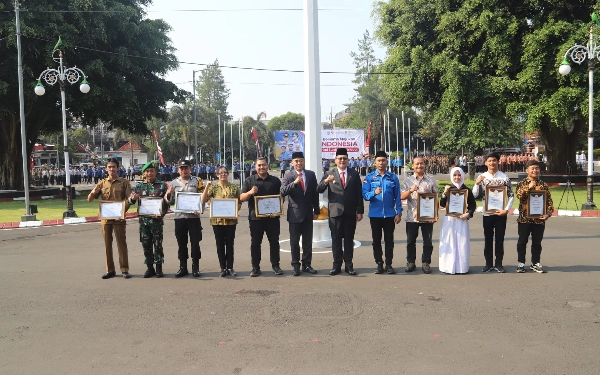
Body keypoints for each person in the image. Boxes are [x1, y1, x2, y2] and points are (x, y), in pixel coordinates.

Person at [317, 148, 364, 276]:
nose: (342, 160)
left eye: (344, 158)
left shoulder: (354, 174)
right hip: (335, 212)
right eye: (340, 158)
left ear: (348, 160)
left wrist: (360, 211)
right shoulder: (329, 173)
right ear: (335, 160)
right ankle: (336, 265)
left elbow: (358, 194)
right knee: (336, 240)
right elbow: (319, 189)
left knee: (349, 239)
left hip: (350, 212)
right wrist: (326, 180)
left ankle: (349, 265)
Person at [87, 158, 132, 279]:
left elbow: (129, 200)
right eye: (109, 167)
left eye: (114, 167)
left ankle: (124, 269)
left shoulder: (124, 183)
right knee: (107, 244)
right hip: (106, 219)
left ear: (118, 168)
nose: (112, 169)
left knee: (121, 244)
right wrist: (92, 192)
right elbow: (90, 199)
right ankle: (110, 270)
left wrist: (122, 213)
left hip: (119, 218)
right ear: (106, 169)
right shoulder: (101, 183)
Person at [240, 157, 283, 277]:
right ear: (255, 167)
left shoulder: (275, 181)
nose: (261, 167)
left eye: (263, 165)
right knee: (255, 243)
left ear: (267, 166)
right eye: (259, 165)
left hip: (272, 218)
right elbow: (242, 198)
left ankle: (276, 266)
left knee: (274, 242)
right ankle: (255, 267)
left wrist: (277, 211)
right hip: (255, 219)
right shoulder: (249, 180)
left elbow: (281, 198)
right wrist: (250, 192)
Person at [473, 152, 514, 273]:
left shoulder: (504, 178)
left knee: (500, 239)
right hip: (487, 213)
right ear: (485, 163)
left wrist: (506, 209)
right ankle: (488, 263)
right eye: (489, 161)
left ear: (498, 161)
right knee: (488, 239)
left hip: (500, 213)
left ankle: (499, 263)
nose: (492, 163)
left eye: (494, 160)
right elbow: (474, 195)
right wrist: (477, 183)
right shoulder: (482, 177)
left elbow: (511, 195)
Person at [362, 151, 402, 274]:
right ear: (375, 162)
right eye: (379, 160)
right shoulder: (369, 178)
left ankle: (389, 264)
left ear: (387, 161)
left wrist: (398, 212)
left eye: (383, 160)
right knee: (376, 240)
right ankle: (379, 263)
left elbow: (398, 197)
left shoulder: (393, 177)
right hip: (375, 215)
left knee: (389, 240)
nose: (381, 163)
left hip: (390, 215)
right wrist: (374, 193)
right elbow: (365, 195)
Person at [280, 152, 320, 276]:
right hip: (295, 214)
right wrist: (295, 183)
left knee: (307, 241)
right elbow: (282, 192)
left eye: (301, 160)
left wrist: (317, 210)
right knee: (294, 241)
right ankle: (295, 265)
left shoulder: (311, 174)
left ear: (304, 161)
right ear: (292, 163)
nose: (299, 163)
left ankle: (307, 264)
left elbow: (315, 193)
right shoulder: (288, 176)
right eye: (296, 161)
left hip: (308, 213)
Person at [128, 162, 169, 278]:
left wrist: (161, 214)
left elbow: (167, 204)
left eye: (152, 171)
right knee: (146, 244)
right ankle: (150, 268)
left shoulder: (162, 186)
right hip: (144, 222)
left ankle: (159, 268)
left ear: (155, 172)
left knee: (158, 245)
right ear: (144, 174)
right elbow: (130, 201)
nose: (149, 173)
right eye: (147, 171)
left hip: (157, 222)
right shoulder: (139, 186)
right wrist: (132, 198)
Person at [166, 160, 205, 278]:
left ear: (190, 169)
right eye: (181, 168)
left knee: (195, 242)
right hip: (180, 217)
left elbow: (203, 197)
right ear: (178, 170)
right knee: (181, 243)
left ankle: (195, 267)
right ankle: (183, 267)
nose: (184, 170)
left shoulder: (197, 181)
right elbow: (169, 200)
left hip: (194, 217)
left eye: (186, 168)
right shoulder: (173, 182)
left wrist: (199, 209)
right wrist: (169, 194)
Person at [400, 157, 439, 274]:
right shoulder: (408, 181)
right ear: (413, 166)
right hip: (412, 216)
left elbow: (435, 198)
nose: (419, 166)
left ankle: (426, 262)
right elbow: (402, 197)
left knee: (427, 241)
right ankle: (410, 262)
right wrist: (411, 190)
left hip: (427, 217)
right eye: (417, 164)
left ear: (424, 165)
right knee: (410, 241)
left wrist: (435, 214)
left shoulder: (431, 180)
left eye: (421, 164)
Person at [515, 160, 554, 273]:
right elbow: (519, 195)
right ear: (527, 170)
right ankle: (521, 263)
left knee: (537, 242)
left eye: (537, 168)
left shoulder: (543, 185)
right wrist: (529, 187)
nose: (535, 170)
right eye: (532, 168)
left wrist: (548, 214)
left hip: (539, 219)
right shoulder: (522, 183)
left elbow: (549, 202)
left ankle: (535, 263)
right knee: (522, 242)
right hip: (524, 218)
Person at [202, 166, 242, 277]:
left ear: (228, 174)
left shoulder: (234, 187)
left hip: (231, 221)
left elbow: (239, 201)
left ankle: (230, 267)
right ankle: (222, 268)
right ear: (217, 175)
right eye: (220, 173)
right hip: (217, 221)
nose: (223, 174)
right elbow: (203, 199)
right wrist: (207, 187)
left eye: (225, 172)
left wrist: (235, 211)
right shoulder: (213, 188)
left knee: (230, 244)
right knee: (219, 245)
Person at [438, 167, 476, 274]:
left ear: (462, 176)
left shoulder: (467, 190)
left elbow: (473, 205)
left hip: (461, 220)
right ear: (451, 176)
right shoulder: (448, 189)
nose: (457, 177)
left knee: (461, 242)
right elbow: (442, 204)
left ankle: (461, 267)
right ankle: (447, 266)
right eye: (454, 175)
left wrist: (468, 214)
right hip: (449, 219)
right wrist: (445, 193)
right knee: (448, 241)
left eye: (459, 175)